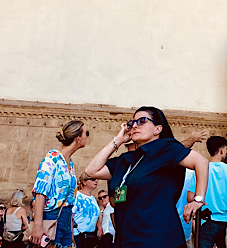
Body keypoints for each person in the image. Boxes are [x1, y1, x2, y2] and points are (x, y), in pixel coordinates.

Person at [84, 106, 209, 248]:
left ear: (157, 129)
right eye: (132, 123)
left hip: (159, 238)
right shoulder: (124, 160)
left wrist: (198, 199)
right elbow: (91, 171)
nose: (135, 125)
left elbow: (201, 162)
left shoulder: (165, 148)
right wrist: (118, 140)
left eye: (142, 121)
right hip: (127, 238)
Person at [29, 120, 90, 248]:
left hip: (66, 219)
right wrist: (38, 226)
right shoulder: (52, 158)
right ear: (78, 138)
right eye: (86, 133)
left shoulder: (70, 163)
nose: (87, 137)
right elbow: (40, 192)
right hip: (51, 217)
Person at [187, 137, 227, 248]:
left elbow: (190, 197)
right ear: (222, 150)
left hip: (206, 222)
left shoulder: (201, 169)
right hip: (226, 223)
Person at [72, 174, 100, 248]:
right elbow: (70, 217)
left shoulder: (93, 198)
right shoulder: (76, 196)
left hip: (91, 237)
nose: (96, 181)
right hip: (79, 236)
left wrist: (99, 227)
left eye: (97, 179)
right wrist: (71, 238)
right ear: (84, 182)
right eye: (93, 179)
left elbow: (94, 214)